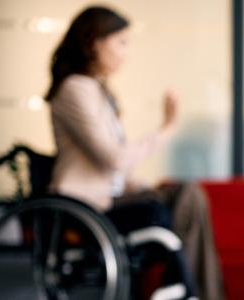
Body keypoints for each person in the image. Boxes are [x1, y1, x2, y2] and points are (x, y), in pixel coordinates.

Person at [45, 6, 224, 300]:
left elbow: (116, 169)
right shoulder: (74, 90)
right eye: (121, 43)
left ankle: (187, 287)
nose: (126, 53)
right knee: (169, 204)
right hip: (89, 209)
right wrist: (167, 128)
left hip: (112, 199)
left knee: (189, 194)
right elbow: (112, 158)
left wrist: (142, 186)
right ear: (94, 42)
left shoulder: (99, 92)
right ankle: (185, 287)